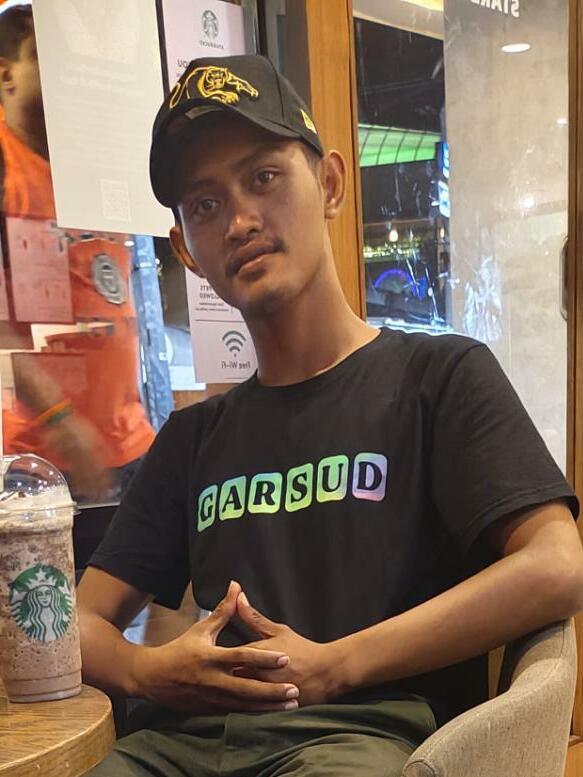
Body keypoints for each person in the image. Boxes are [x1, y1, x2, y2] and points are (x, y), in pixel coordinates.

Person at [79, 55, 583, 776]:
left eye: (263, 177)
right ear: (186, 249)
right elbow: (75, 622)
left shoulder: (438, 379)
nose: (240, 221)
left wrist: (336, 665)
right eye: (205, 205)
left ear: (331, 184)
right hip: (178, 748)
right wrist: (146, 670)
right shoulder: (193, 438)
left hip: (360, 738)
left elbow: (557, 565)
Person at [0, 2, 155, 502]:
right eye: (43, 56)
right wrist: (59, 421)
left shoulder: (94, 158)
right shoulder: (6, 164)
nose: (65, 71)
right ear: (6, 75)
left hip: (130, 444)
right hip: (43, 460)